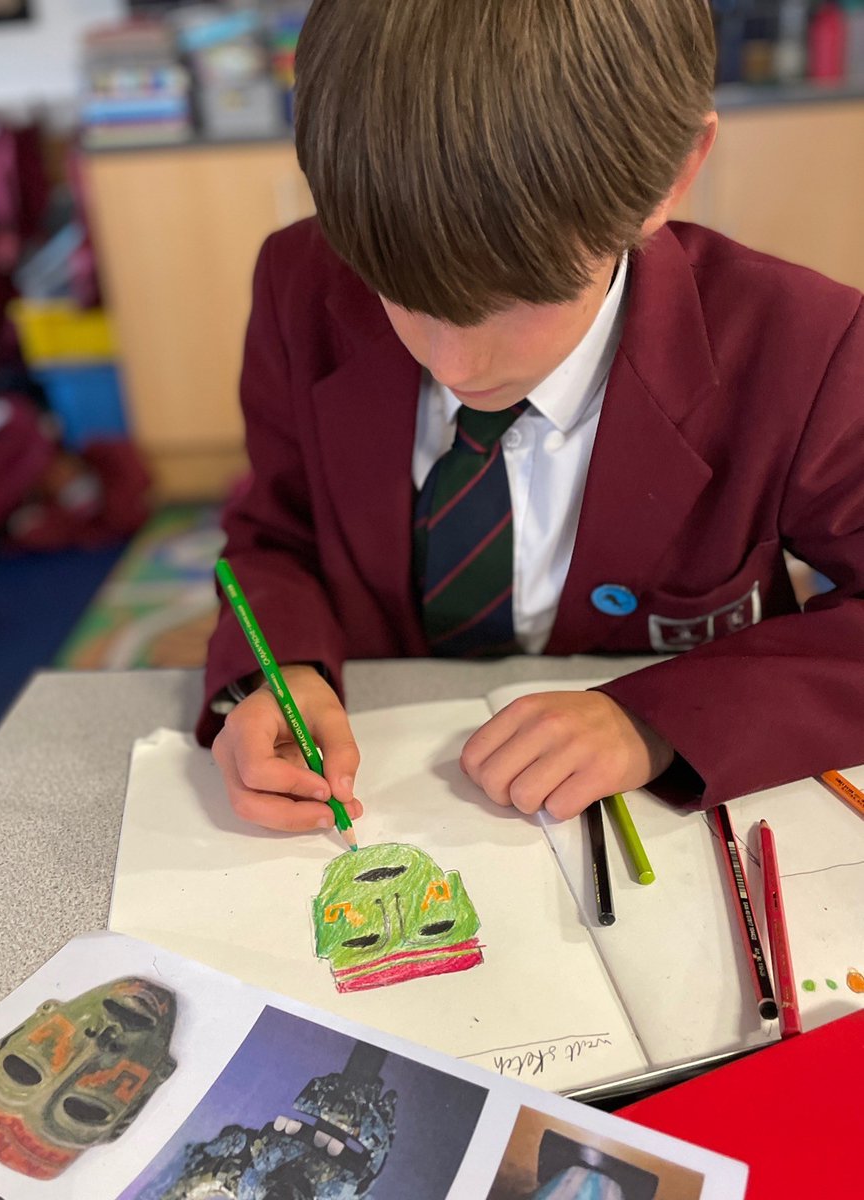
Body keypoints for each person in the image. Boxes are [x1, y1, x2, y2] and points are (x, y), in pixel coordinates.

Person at [198, 0, 864, 835]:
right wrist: (278, 670)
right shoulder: (297, 283)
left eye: (515, 298)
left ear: (671, 174)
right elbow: (275, 531)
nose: (451, 365)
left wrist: (657, 719)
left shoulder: (807, 348)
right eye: (397, 290)